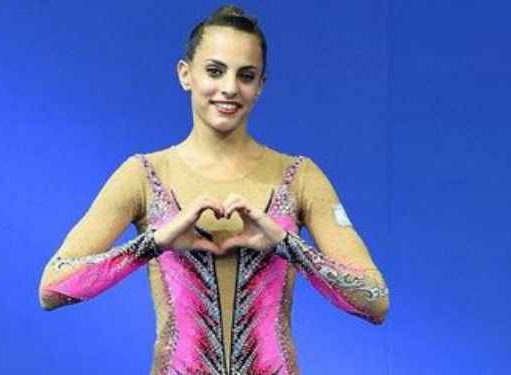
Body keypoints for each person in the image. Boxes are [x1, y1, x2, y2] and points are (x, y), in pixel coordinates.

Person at [38, 5, 389, 375]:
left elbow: (375, 301)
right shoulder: (143, 175)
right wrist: (153, 243)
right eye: (215, 71)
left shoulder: (299, 176)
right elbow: (53, 288)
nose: (230, 88)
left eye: (246, 75)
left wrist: (287, 245)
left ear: (261, 85)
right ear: (185, 74)